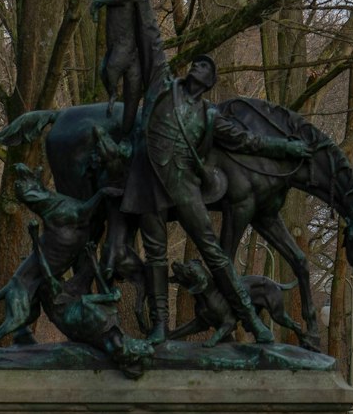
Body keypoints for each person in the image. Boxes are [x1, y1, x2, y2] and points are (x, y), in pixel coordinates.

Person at [119, 56, 311, 342]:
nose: (197, 66)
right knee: (156, 254)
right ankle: (160, 323)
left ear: (209, 83)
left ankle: (250, 321)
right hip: (150, 182)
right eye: (197, 63)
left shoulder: (209, 115)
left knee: (215, 253)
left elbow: (247, 140)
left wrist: (285, 147)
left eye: (206, 66)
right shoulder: (165, 89)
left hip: (185, 183)